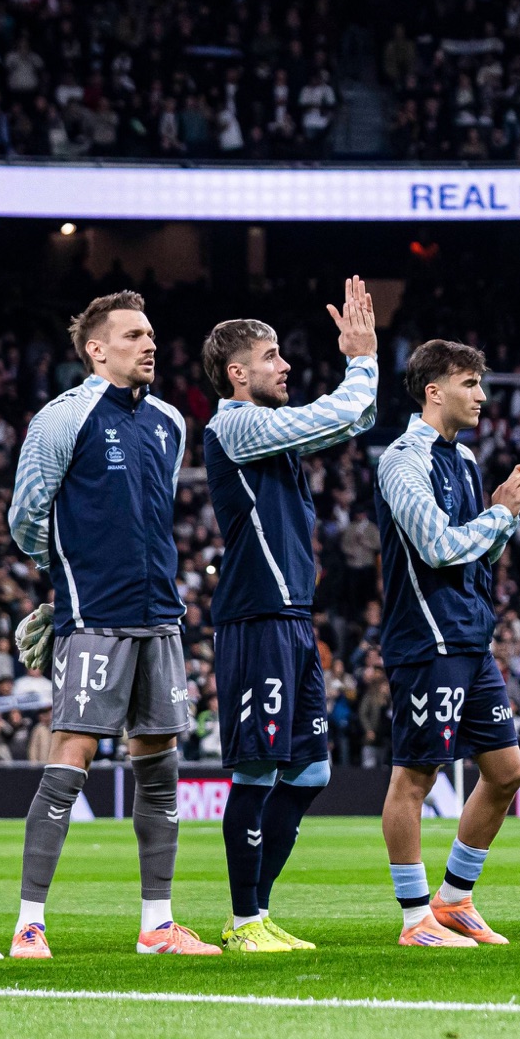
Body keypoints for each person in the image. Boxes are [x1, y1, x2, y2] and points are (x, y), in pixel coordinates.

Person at [7, 290, 220, 957]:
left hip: (161, 618)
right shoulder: (63, 417)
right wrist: (69, 577)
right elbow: (25, 514)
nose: (149, 344)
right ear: (97, 349)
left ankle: (158, 924)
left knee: (160, 767)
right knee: (71, 755)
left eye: (150, 333)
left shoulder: (169, 421)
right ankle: (29, 923)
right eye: (133, 335)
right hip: (94, 617)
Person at [200, 278, 379, 952]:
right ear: (236, 372)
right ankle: (243, 920)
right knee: (257, 769)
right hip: (257, 616)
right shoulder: (235, 424)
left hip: (292, 618)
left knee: (310, 772)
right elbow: (336, 414)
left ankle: (259, 910)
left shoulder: (270, 436)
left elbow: (353, 420)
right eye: (271, 356)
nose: (286, 365)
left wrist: (363, 368)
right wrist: (361, 359)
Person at [376, 339, 520, 946]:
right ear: (434, 391)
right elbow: (439, 547)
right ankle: (413, 919)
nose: (481, 395)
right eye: (469, 383)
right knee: (416, 777)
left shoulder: (465, 459)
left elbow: (479, 553)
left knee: (506, 771)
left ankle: (452, 900)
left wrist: (507, 511)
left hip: (471, 636)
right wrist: (499, 513)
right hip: (426, 637)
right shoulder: (402, 460)